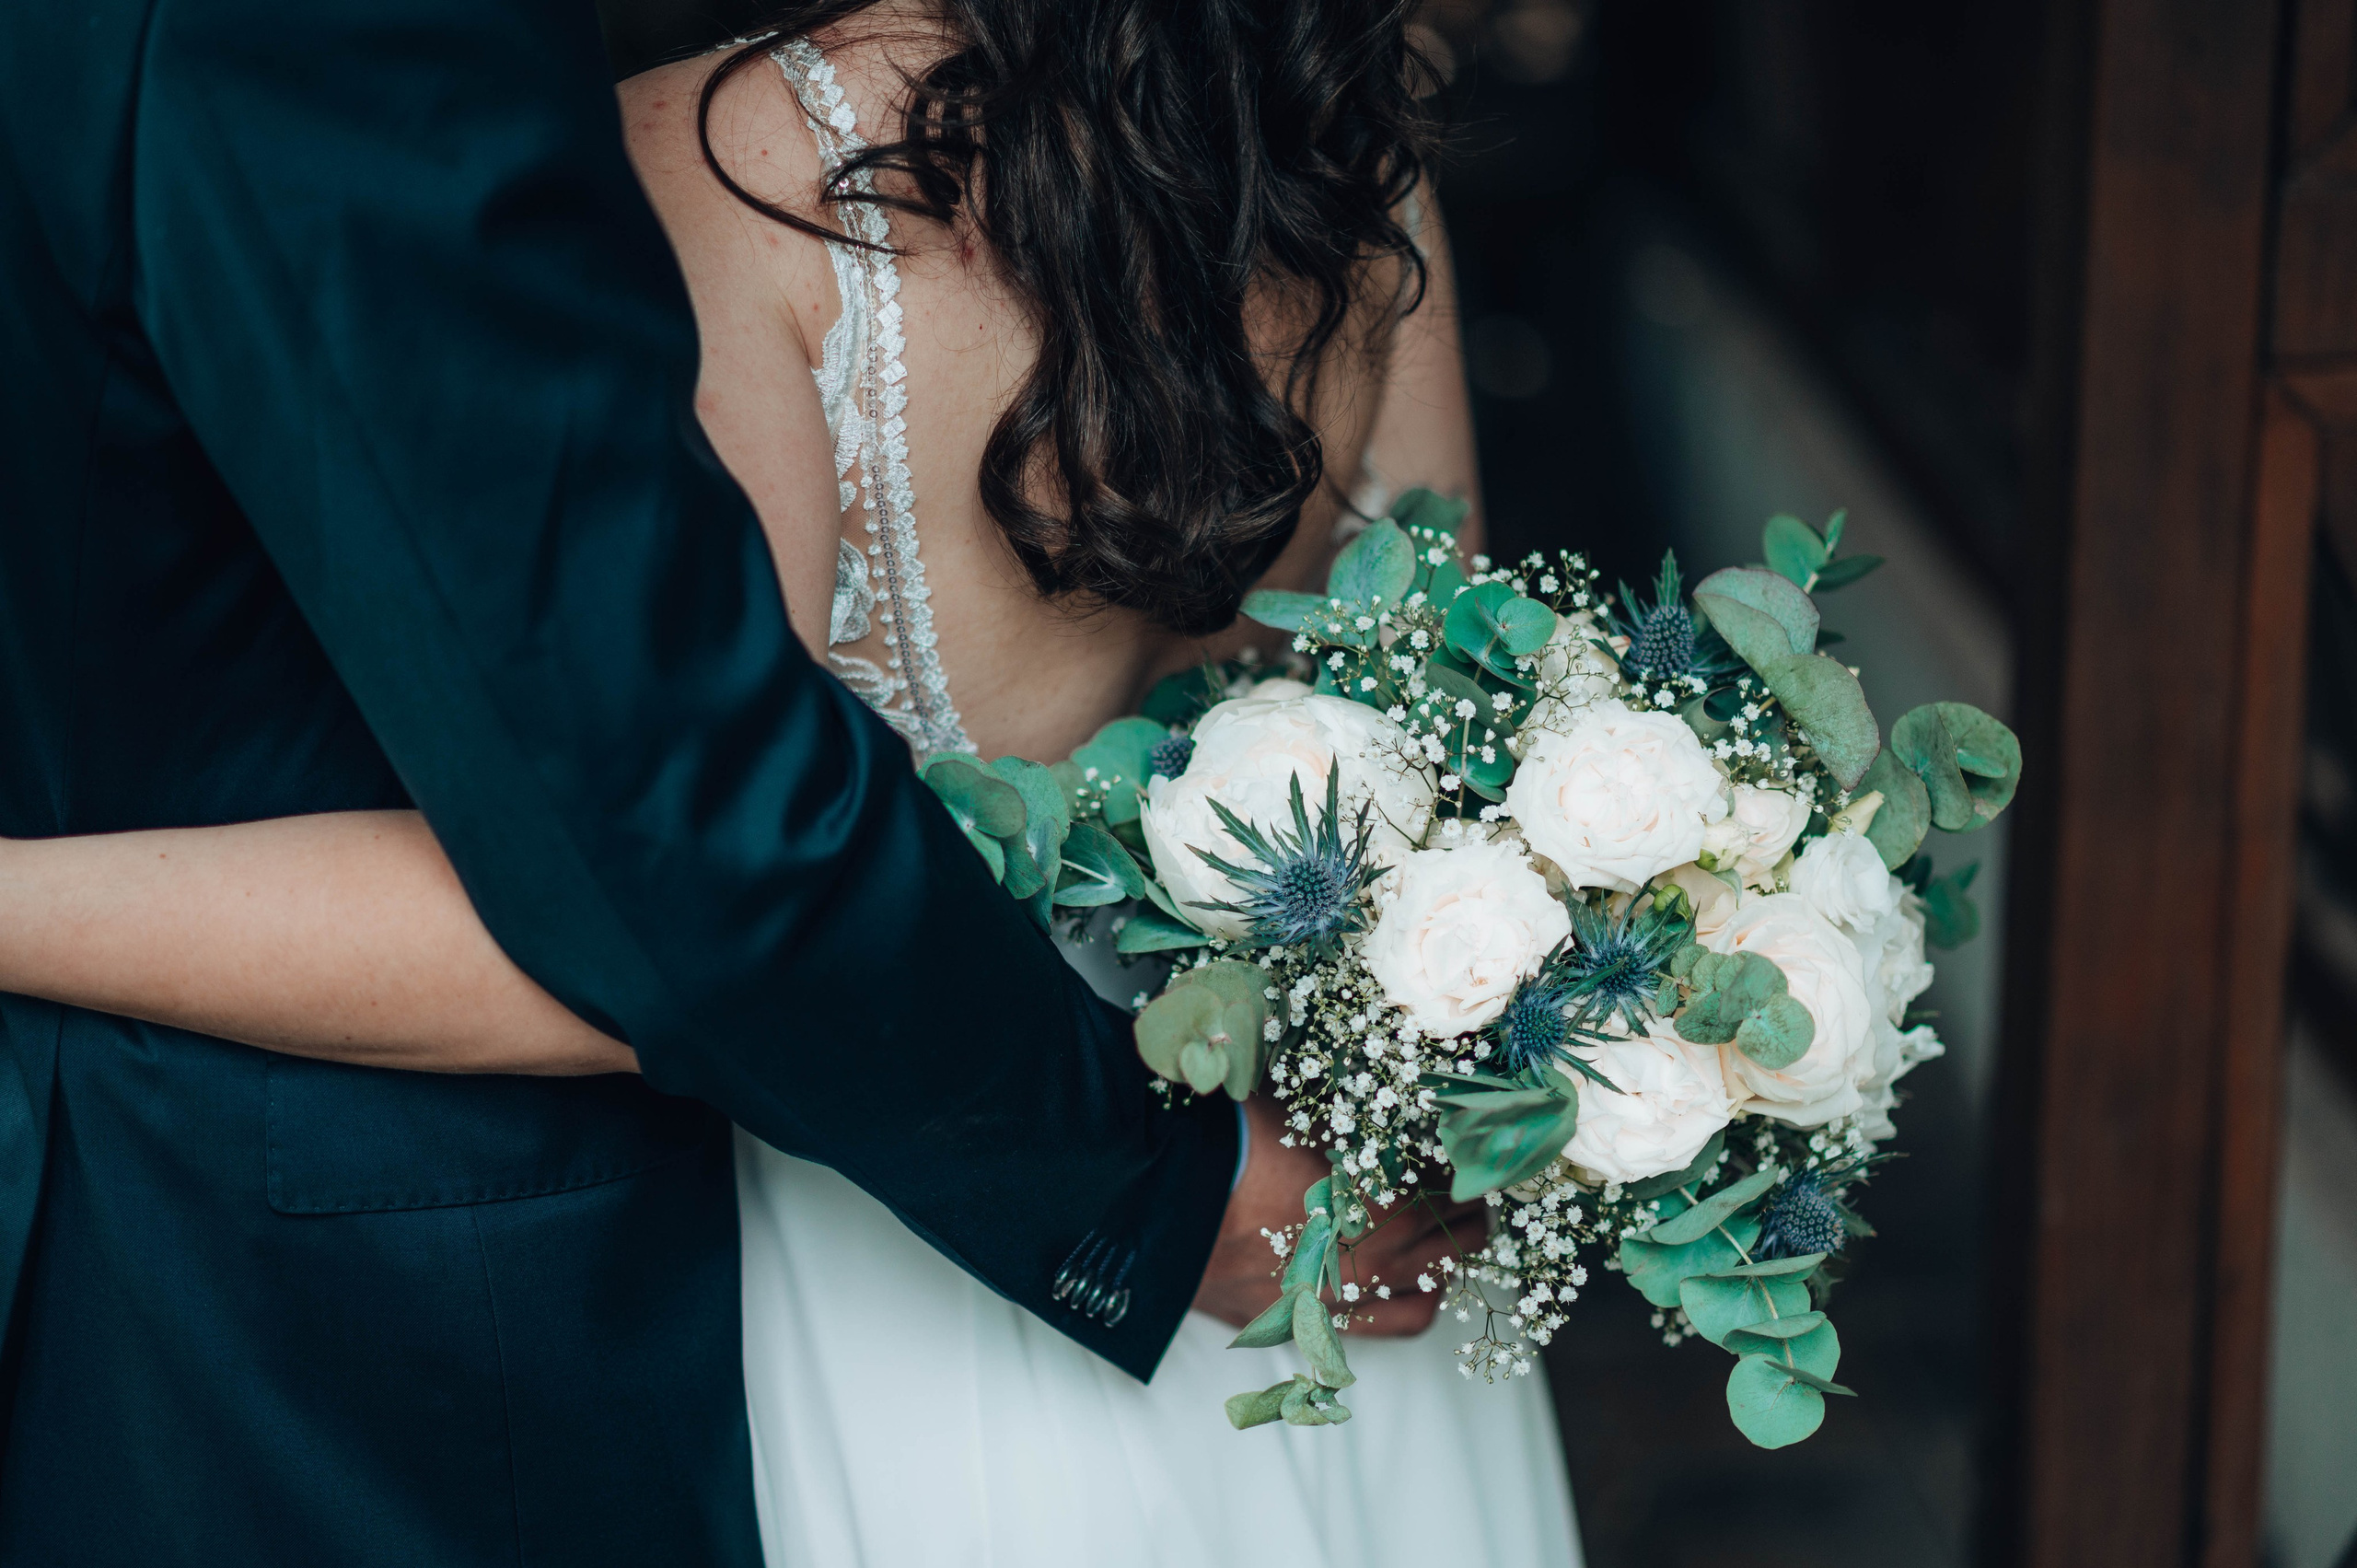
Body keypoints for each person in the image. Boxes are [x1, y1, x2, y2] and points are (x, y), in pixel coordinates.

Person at [0, 0, 1579, 1562]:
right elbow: (1445, 711)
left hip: (909, 1243)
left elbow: (645, 870)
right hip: (1319, 1229)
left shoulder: (729, 168)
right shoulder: (1346, 143)